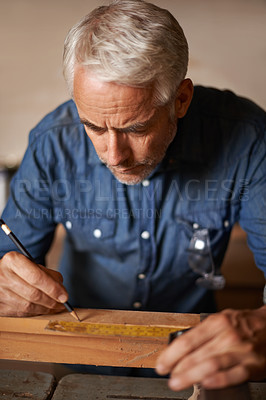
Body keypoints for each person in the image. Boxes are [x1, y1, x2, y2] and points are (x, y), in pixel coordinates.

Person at [0, 0, 265, 391]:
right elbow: (7, 261)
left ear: (181, 100)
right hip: (79, 363)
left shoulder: (249, 139)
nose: (114, 156)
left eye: (136, 129)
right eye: (93, 126)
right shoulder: (52, 143)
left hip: (192, 361)